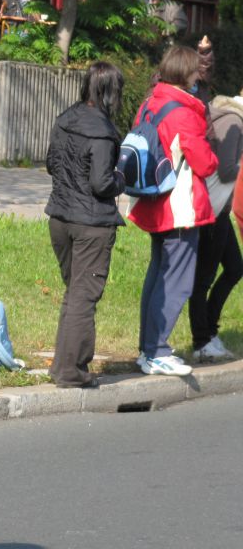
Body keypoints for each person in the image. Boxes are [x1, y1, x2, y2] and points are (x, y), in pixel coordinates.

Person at [129, 45, 218, 376]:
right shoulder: (183, 111)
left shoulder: (151, 103)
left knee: (156, 277)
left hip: (154, 202)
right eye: (196, 71)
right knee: (177, 281)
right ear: (186, 73)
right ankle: (158, 351)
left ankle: (147, 349)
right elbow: (205, 163)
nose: (199, 76)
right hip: (180, 207)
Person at [44, 62, 125, 388]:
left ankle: (62, 367)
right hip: (91, 224)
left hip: (60, 219)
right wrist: (123, 177)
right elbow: (102, 183)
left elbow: (51, 164)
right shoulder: (103, 132)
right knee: (83, 297)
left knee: (73, 294)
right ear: (110, 92)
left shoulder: (65, 119)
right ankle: (72, 372)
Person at [188, 87, 243, 362]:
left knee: (235, 267)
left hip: (217, 209)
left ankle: (210, 329)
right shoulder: (234, 121)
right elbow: (225, 169)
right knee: (203, 279)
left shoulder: (222, 113)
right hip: (210, 209)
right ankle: (202, 340)